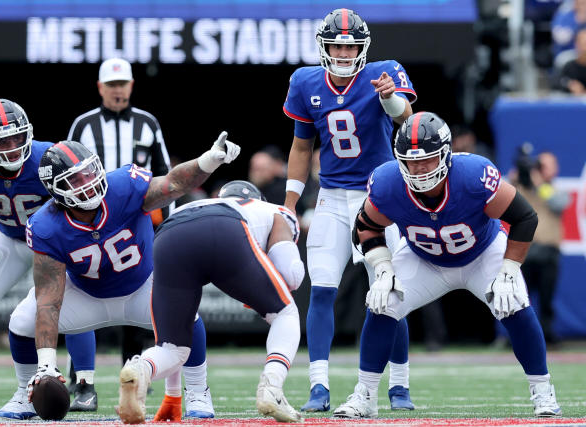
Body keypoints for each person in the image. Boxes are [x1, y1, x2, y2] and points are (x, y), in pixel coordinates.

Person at [337, 111, 562, 418]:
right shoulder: (388, 181)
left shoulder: (472, 175)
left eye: (427, 160)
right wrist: (383, 268)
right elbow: (365, 226)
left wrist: (510, 268)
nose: (418, 169)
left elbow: (524, 218)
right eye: (410, 161)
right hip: (423, 258)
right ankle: (364, 395)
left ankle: (543, 391)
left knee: (514, 301)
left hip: (481, 253)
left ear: (445, 154)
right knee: (383, 301)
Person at [1, 134, 240, 422]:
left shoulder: (123, 185)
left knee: (187, 314)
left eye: (89, 172)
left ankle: (199, 391)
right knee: (22, 320)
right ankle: (24, 393)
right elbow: (49, 301)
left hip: (143, 286)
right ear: (56, 189)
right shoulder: (45, 226)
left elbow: (173, 183)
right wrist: (47, 365)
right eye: (75, 180)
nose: (87, 182)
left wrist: (207, 161)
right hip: (87, 295)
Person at [282, 8, 416, 412]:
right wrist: (289, 204)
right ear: (325, 47)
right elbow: (302, 146)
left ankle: (399, 385)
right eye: (337, 45)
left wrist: (390, 96)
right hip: (332, 197)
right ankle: (319, 386)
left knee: (390, 291)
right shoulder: (306, 81)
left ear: (363, 47)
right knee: (321, 291)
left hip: (379, 198)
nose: (343, 52)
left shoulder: (383, 73)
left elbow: (406, 120)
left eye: (350, 45)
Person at [0, 99, 95, 417]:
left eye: (18, 137)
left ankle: (84, 385)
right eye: (2, 140)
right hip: (12, 238)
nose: (13, 147)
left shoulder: (46, 157)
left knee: (74, 303)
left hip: (53, 242)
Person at [67, 57, 199, 414]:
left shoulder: (147, 123)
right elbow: (64, 171)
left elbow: (166, 177)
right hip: (91, 221)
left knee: (140, 295)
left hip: (136, 222)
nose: (117, 90)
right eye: (111, 85)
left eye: (122, 83)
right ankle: (80, 378)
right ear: (100, 88)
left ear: (131, 85)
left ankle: (136, 371)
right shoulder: (84, 125)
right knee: (81, 292)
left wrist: (168, 226)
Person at [117, 180, 304, 424]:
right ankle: (273, 387)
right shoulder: (273, 211)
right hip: (226, 228)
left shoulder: (199, 203)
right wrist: (266, 291)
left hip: (168, 234)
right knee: (285, 313)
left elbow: (175, 336)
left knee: (172, 348)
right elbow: (292, 274)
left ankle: (142, 368)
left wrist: (173, 396)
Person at [515, 150, 569, 344]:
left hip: (548, 253)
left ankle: (547, 334)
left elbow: (558, 203)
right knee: (520, 298)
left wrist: (539, 183)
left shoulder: (555, 190)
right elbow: (502, 193)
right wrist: (518, 174)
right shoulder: (522, 188)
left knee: (547, 299)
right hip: (526, 252)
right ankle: (519, 336)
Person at [557, 26, 586, 93]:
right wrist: (570, 85)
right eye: (583, 44)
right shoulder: (569, 66)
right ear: (576, 45)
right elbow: (558, 82)